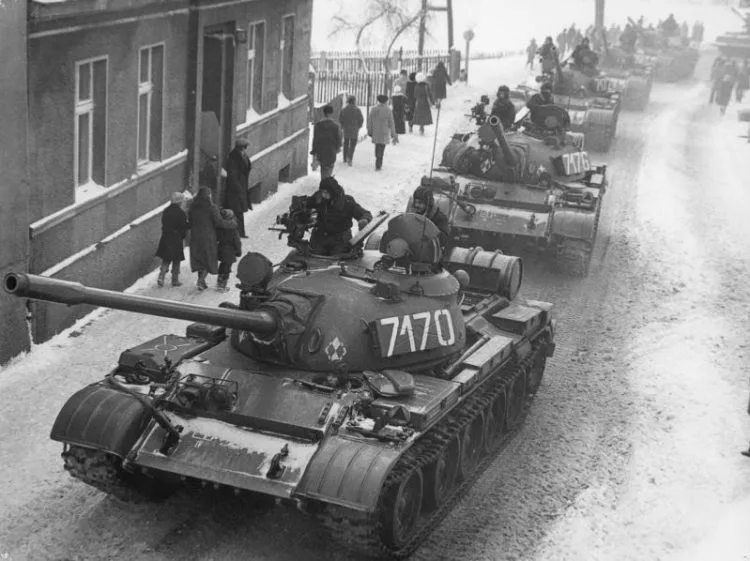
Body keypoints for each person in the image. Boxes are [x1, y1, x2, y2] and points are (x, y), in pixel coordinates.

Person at [307, 177, 372, 256]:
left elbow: (365, 213)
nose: (323, 195)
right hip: (320, 238)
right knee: (313, 258)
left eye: (326, 192)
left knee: (340, 260)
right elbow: (306, 205)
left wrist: (364, 220)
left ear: (333, 192)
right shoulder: (319, 199)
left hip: (340, 240)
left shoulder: (346, 202)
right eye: (322, 192)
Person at [189, 187, 236, 291]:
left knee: (200, 259)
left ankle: (202, 282)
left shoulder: (193, 206)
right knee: (208, 259)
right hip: (208, 237)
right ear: (208, 196)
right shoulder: (212, 207)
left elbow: (190, 220)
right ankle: (200, 280)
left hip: (195, 237)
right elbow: (219, 222)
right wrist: (231, 224)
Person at [155, 192, 189, 287]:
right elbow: (183, 226)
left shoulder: (166, 211)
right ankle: (175, 280)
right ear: (179, 202)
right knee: (176, 260)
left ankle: (161, 276)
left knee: (166, 259)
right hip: (176, 239)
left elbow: (164, 223)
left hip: (166, 237)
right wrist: (189, 225)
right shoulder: (181, 213)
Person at [222, 137, 252, 238]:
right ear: (241, 148)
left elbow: (247, 168)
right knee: (236, 212)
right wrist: (239, 189)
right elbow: (232, 177)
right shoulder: (233, 159)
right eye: (245, 147)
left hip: (241, 188)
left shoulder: (243, 156)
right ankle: (235, 234)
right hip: (234, 191)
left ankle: (240, 233)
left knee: (238, 212)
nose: (245, 150)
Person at [367, 94, 399, 171]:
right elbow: (391, 123)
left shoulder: (374, 109)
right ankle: (379, 162)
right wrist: (394, 134)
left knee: (377, 146)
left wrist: (370, 131)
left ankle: (378, 159)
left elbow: (369, 121)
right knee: (382, 147)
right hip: (384, 131)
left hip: (376, 131)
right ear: (386, 101)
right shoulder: (388, 110)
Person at [311, 105, 342, 179]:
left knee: (323, 170)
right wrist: (338, 148)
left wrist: (314, 153)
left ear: (324, 113)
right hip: (331, 152)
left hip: (321, 152)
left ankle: (325, 182)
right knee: (328, 170)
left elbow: (315, 140)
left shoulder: (318, 126)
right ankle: (326, 183)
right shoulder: (335, 126)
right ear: (331, 114)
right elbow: (338, 140)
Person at [216, 208, 242, 290]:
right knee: (227, 267)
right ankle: (223, 285)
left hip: (221, 248)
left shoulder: (219, 227)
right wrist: (238, 251)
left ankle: (219, 280)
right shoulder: (233, 228)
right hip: (230, 251)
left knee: (223, 265)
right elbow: (237, 241)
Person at [338, 95, 364, 167]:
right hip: (354, 130)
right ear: (354, 101)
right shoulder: (357, 110)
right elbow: (361, 119)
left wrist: (343, 126)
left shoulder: (344, 110)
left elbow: (340, 119)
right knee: (352, 144)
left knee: (346, 143)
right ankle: (349, 157)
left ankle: (345, 158)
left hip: (346, 129)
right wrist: (358, 126)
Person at [391, 69, 409, 134]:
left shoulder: (396, 81)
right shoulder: (407, 81)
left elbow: (393, 90)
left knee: (397, 114)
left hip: (396, 98)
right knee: (402, 114)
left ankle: (397, 128)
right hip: (403, 98)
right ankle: (402, 129)